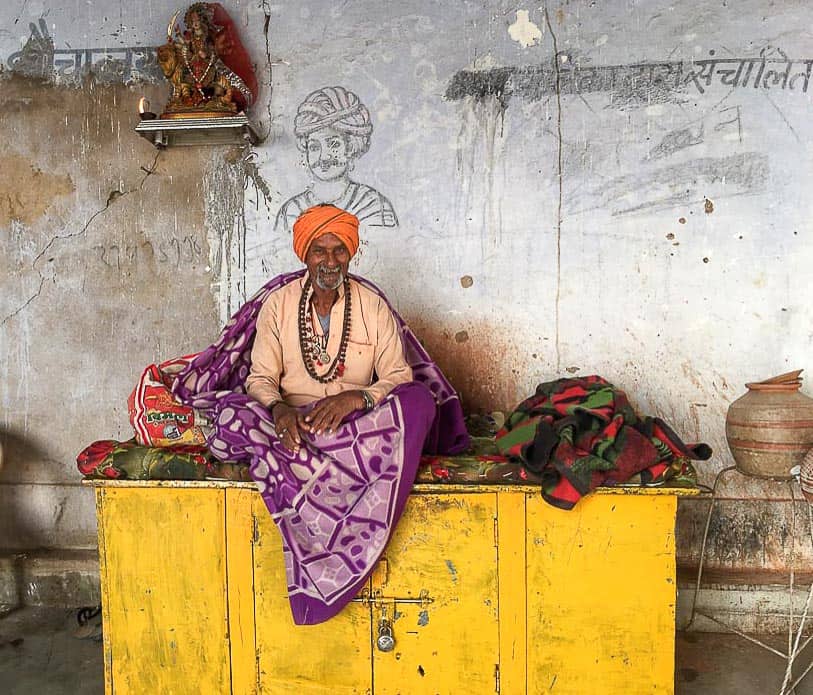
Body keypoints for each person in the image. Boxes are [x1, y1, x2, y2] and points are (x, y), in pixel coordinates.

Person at [171, 204, 468, 625]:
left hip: (357, 425)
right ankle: (319, 465)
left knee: (418, 401)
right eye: (319, 250)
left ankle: (318, 469)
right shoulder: (278, 304)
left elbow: (399, 375)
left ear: (351, 254)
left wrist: (357, 400)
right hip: (294, 424)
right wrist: (278, 410)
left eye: (338, 251)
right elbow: (260, 379)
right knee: (232, 415)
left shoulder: (371, 304)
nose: (330, 261)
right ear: (304, 255)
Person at [275, 86, 398, 234]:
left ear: (351, 147)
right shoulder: (291, 211)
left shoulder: (373, 205)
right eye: (314, 147)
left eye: (333, 144)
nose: (324, 157)